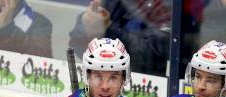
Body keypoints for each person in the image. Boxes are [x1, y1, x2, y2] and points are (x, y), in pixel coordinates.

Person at [69, 0, 203, 76]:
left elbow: (154, 53)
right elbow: (78, 45)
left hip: (152, 92)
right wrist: (89, 28)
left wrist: (107, 29)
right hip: (105, 83)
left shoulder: (173, 5)